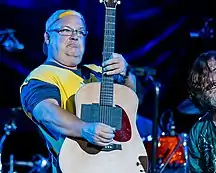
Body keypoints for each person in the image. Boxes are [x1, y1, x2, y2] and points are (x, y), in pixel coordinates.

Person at [19, 9, 137, 173]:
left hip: (119, 164)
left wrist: (126, 73)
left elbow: (130, 102)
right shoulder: (40, 77)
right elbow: (47, 113)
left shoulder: (97, 71)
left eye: (80, 32)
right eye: (65, 30)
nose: (74, 36)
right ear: (47, 38)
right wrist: (84, 128)